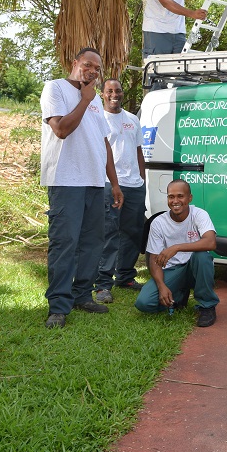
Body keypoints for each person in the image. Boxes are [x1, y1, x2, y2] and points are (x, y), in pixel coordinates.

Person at [41, 47, 124, 329]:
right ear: (74, 63)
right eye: (88, 65)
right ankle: (59, 306)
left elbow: (104, 144)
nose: (92, 71)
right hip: (66, 181)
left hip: (94, 182)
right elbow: (61, 129)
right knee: (65, 244)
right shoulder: (55, 88)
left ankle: (81, 295)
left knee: (92, 244)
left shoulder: (95, 103)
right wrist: (84, 98)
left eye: (97, 69)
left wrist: (114, 183)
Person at [135, 179, 219, 327]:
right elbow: (154, 260)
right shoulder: (159, 222)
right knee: (144, 303)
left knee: (202, 256)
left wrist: (177, 247)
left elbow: (210, 242)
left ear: (190, 198)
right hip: (173, 270)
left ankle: (207, 306)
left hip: (195, 268)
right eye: (171, 196)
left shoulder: (199, 214)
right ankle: (179, 296)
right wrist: (161, 286)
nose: (175, 201)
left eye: (180, 196)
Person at [94, 79, 146, 304]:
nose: (114, 94)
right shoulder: (98, 119)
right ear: (103, 94)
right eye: (110, 91)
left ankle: (124, 275)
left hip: (135, 185)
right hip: (109, 184)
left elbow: (139, 151)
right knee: (109, 233)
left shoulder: (132, 119)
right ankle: (102, 283)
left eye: (118, 90)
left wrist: (143, 179)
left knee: (133, 232)